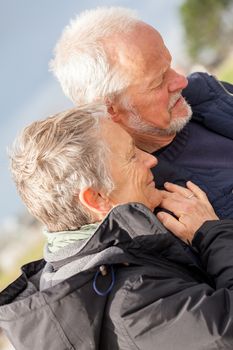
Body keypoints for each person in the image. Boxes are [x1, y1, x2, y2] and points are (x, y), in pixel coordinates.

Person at [1, 104, 233, 350]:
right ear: (97, 198)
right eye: (132, 155)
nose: (151, 159)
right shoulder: (132, 299)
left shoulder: (90, 267)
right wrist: (212, 233)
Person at [50, 7, 233, 219]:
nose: (181, 81)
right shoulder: (147, 196)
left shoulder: (207, 92)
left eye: (169, 65)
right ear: (111, 109)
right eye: (158, 82)